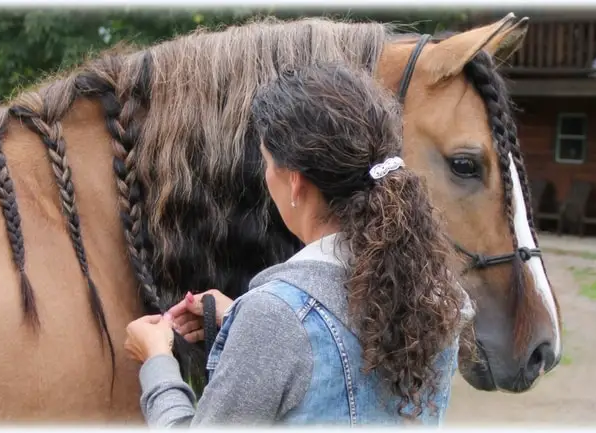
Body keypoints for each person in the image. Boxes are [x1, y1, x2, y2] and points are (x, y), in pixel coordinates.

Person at [123, 63, 474, 426]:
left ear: (294, 182)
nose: (265, 176)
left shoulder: (275, 317)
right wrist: (243, 320)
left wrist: (157, 363)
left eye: (266, 162)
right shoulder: (438, 297)